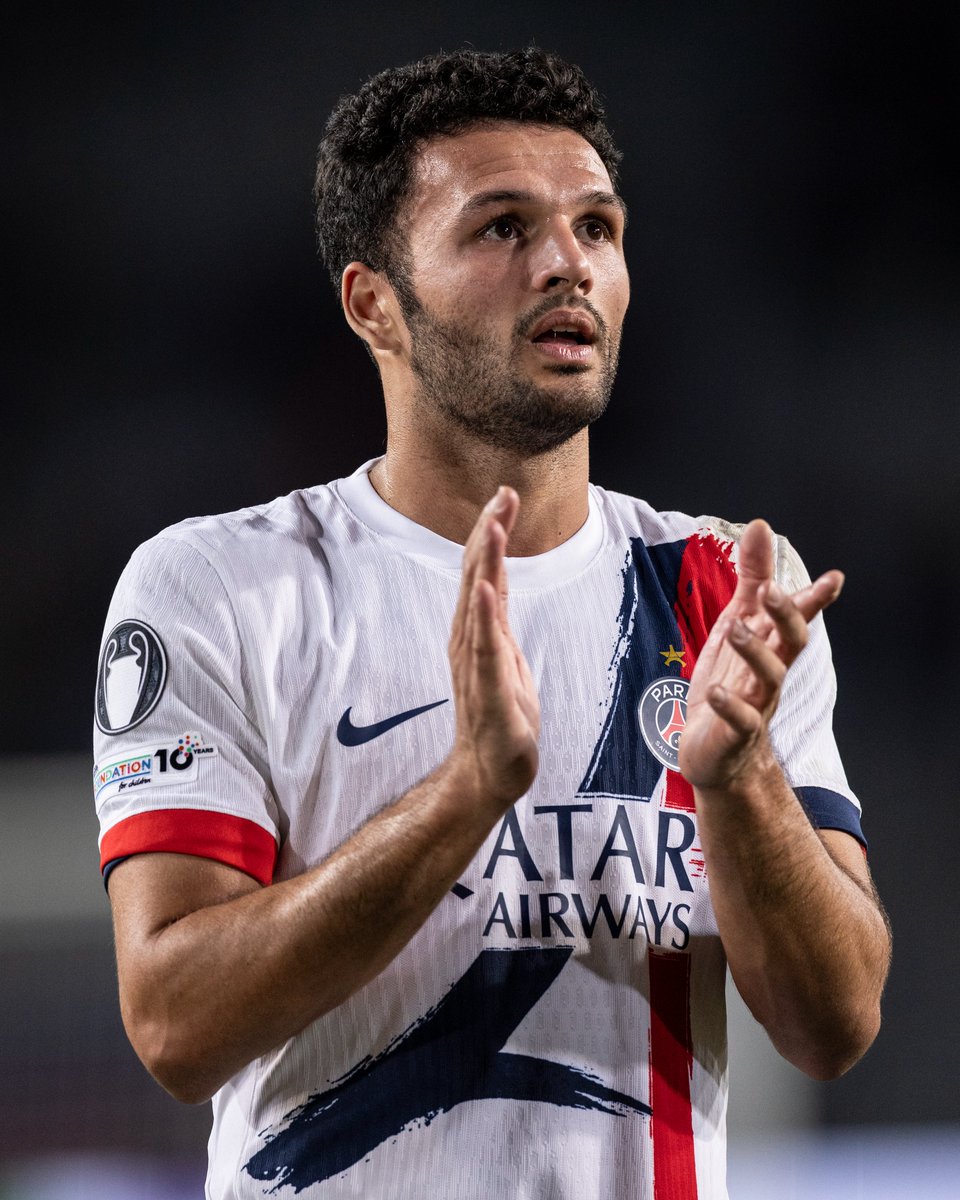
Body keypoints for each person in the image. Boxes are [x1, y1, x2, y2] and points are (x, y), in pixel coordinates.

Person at [93, 47, 891, 1200]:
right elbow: (174, 1024)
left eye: (599, 229)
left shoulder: (724, 586)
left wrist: (742, 780)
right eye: (503, 228)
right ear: (375, 303)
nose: (568, 263)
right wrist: (466, 793)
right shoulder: (220, 587)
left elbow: (835, 1026)